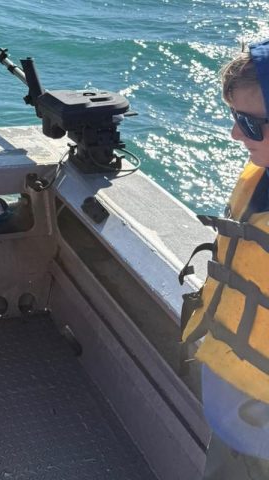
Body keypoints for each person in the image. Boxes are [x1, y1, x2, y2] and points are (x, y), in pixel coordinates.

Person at [181, 38, 269, 479]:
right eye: (235, 119)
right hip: (236, 409)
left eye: (251, 124)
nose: (236, 134)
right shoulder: (260, 175)